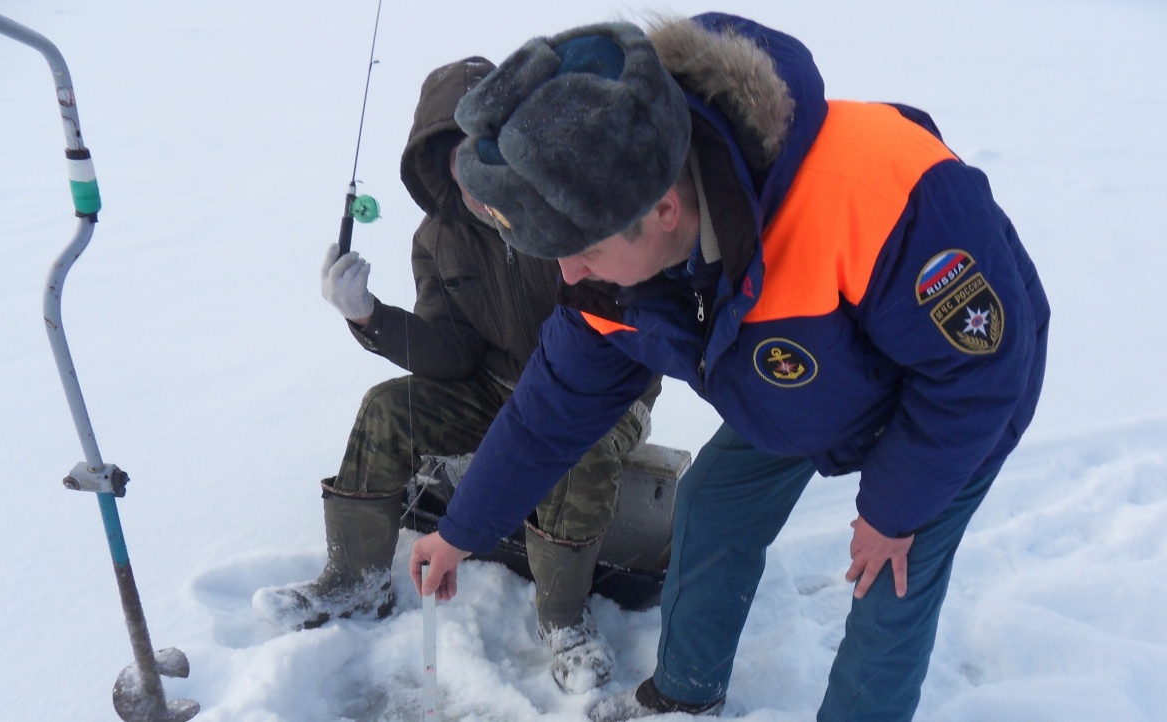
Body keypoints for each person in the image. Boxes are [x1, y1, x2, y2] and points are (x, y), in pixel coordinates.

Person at [409, 14, 1050, 722]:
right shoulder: (612, 276)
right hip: (801, 382)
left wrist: (894, 511)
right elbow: (546, 415)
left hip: (955, 400)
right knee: (712, 503)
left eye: (582, 250)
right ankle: (683, 696)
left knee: (887, 585)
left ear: (663, 209)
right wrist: (459, 531)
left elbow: (978, 372)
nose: (568, 272)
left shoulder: (879, 196)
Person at [251, 56, 658, 695]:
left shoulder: (565, 203)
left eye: (484, 146)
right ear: (435, 159)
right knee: (387, 406)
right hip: (497, 388)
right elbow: (453, 352)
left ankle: (563, 620)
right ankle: (356, 579)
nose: (471, 169)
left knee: (578, 450)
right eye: (453, 151)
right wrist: (371, 318)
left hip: (605, 390)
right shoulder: (438, 239)